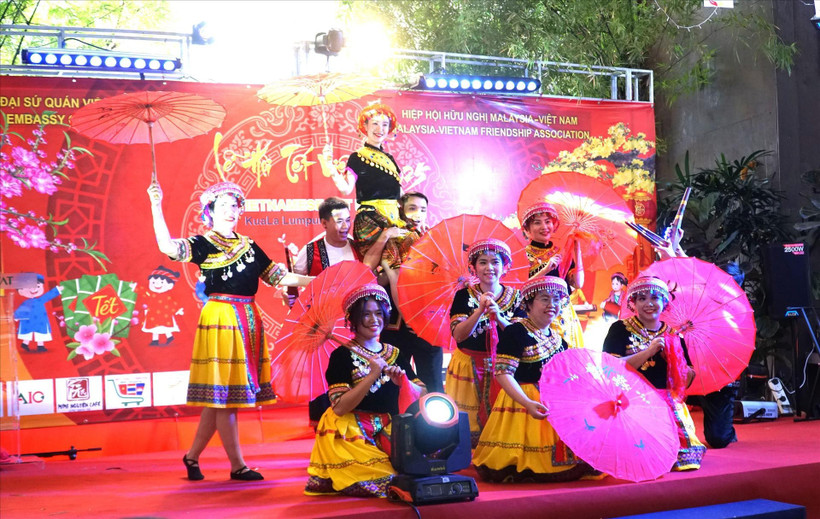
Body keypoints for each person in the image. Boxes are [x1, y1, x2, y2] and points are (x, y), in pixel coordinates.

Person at [148, 180, 312, 481]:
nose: (230, 210)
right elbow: (167, 247)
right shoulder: (204, 244)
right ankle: (238, 466)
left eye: (234, 205)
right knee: (226, 396)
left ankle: (192, 457)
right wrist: (156, 205)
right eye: (222, 205)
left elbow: (278, 277)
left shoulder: (249, 245)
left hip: (248, 315)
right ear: (210, 212)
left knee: (219, 396)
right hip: (222, 317)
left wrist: (315, 282)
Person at [305, 283, 424, 498]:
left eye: (379, 313)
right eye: (365, 314)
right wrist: (371, 376)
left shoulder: (394, 353)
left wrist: (403, 382)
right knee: (386, 479)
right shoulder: (340, 356)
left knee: (419, 469)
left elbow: (422, 393)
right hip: (352, 429)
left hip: (389, 426)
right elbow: (340, 407)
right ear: (352, 319)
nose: (373, 320)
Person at [473, 276, 593, 482]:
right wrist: (527, 402)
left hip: (554, 404)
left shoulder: (558, 338)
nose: (552, 305)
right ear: (528, 303)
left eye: (556, 300)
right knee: (516, 465)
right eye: (544, 299)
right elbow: (503, 373)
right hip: (521, 404)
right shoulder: (515, 332)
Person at [602, 276, 705, 471]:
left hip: (667, 401)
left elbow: (687, 380)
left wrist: (674, 359)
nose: (649, 304)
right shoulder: (620, 329)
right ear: (633, 303)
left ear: (664, 303)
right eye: (642, 299)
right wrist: (647, 353)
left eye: (655, 298)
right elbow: (609, 368)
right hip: (630, 400)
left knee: (682, 459)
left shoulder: (673, 335)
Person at [447, 238, 524, 446]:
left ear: (505, 266)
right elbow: (459, 336)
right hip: (468, 366)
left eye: (495, 262)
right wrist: (479, 311)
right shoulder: (463, 296)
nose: (489, 267)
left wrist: (498, 316)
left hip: (504, 366)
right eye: (482, 262)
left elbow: (519, 337)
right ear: (473, 267)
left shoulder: (517, 297)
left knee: (503, 420)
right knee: (467, 421)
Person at [326, 103, 420, 270]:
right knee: (391, 262)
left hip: (394, 217)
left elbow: (399, 193)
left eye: (385, 124)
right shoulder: (357, 157)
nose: (380, 129)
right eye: (375, 123)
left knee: (415, 251)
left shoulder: (390, 159)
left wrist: (414, 214)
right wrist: (330, 168)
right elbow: (346, 189)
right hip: (371, 219)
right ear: (365, 126)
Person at [380, 192, 444, 392]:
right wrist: (410, 318)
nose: (418, 214)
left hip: (428, 316)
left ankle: (438, 421)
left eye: (423, 209)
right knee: (400, 377)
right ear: (401, 210)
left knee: (432, 375)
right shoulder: (394, 237)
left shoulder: (435, 237)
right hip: (398, 320)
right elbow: (393, 279)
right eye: (412, 208)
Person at [519, 201, 585, 349]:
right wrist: (546, 268)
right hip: (537, 316)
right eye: (537, 223)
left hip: (564, 315)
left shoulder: (560, 253)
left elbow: (578, 284)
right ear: (527, 230)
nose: (544, 227)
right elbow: (520, 288)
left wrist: (577, 249)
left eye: (548, 222)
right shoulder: (522, 256)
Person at [14, 274, 61, 353]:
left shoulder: (40, 300)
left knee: (40, 333)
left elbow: (48, 296)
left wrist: (57, 290)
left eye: (38, 286)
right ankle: (25, 344)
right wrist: (16, 316)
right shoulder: (26, 303)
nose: (33, 289)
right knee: (27, 333)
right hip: (28, 320)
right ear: (20, 290)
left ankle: (40, 346)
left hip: (40, 320)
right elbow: (20, 310)